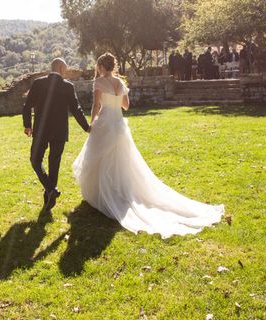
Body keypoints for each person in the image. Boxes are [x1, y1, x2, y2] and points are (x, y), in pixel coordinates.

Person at [72, 53, 224, 237]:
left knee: (101, 158)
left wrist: (92, 122)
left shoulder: (98, 83)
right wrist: (115, 99)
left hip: (105, 124)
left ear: (101, 67)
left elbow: (96, 106)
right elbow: (126, 106)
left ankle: (102, 194)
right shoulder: (120, 83)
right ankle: (117, 189)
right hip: (118, 124)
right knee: (121, 160)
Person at [22, 58, 90, 212]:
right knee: (54, 164)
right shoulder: (68, 86)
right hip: (60, 131)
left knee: (35, 160)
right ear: (61, 68)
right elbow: (76, 109)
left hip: (41, 130)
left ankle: (50, 195)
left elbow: (27, 106)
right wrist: (86, 127)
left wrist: (28, 125)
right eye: (64, 69)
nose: (65, 71)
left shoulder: (38, 83)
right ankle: (51, 191)